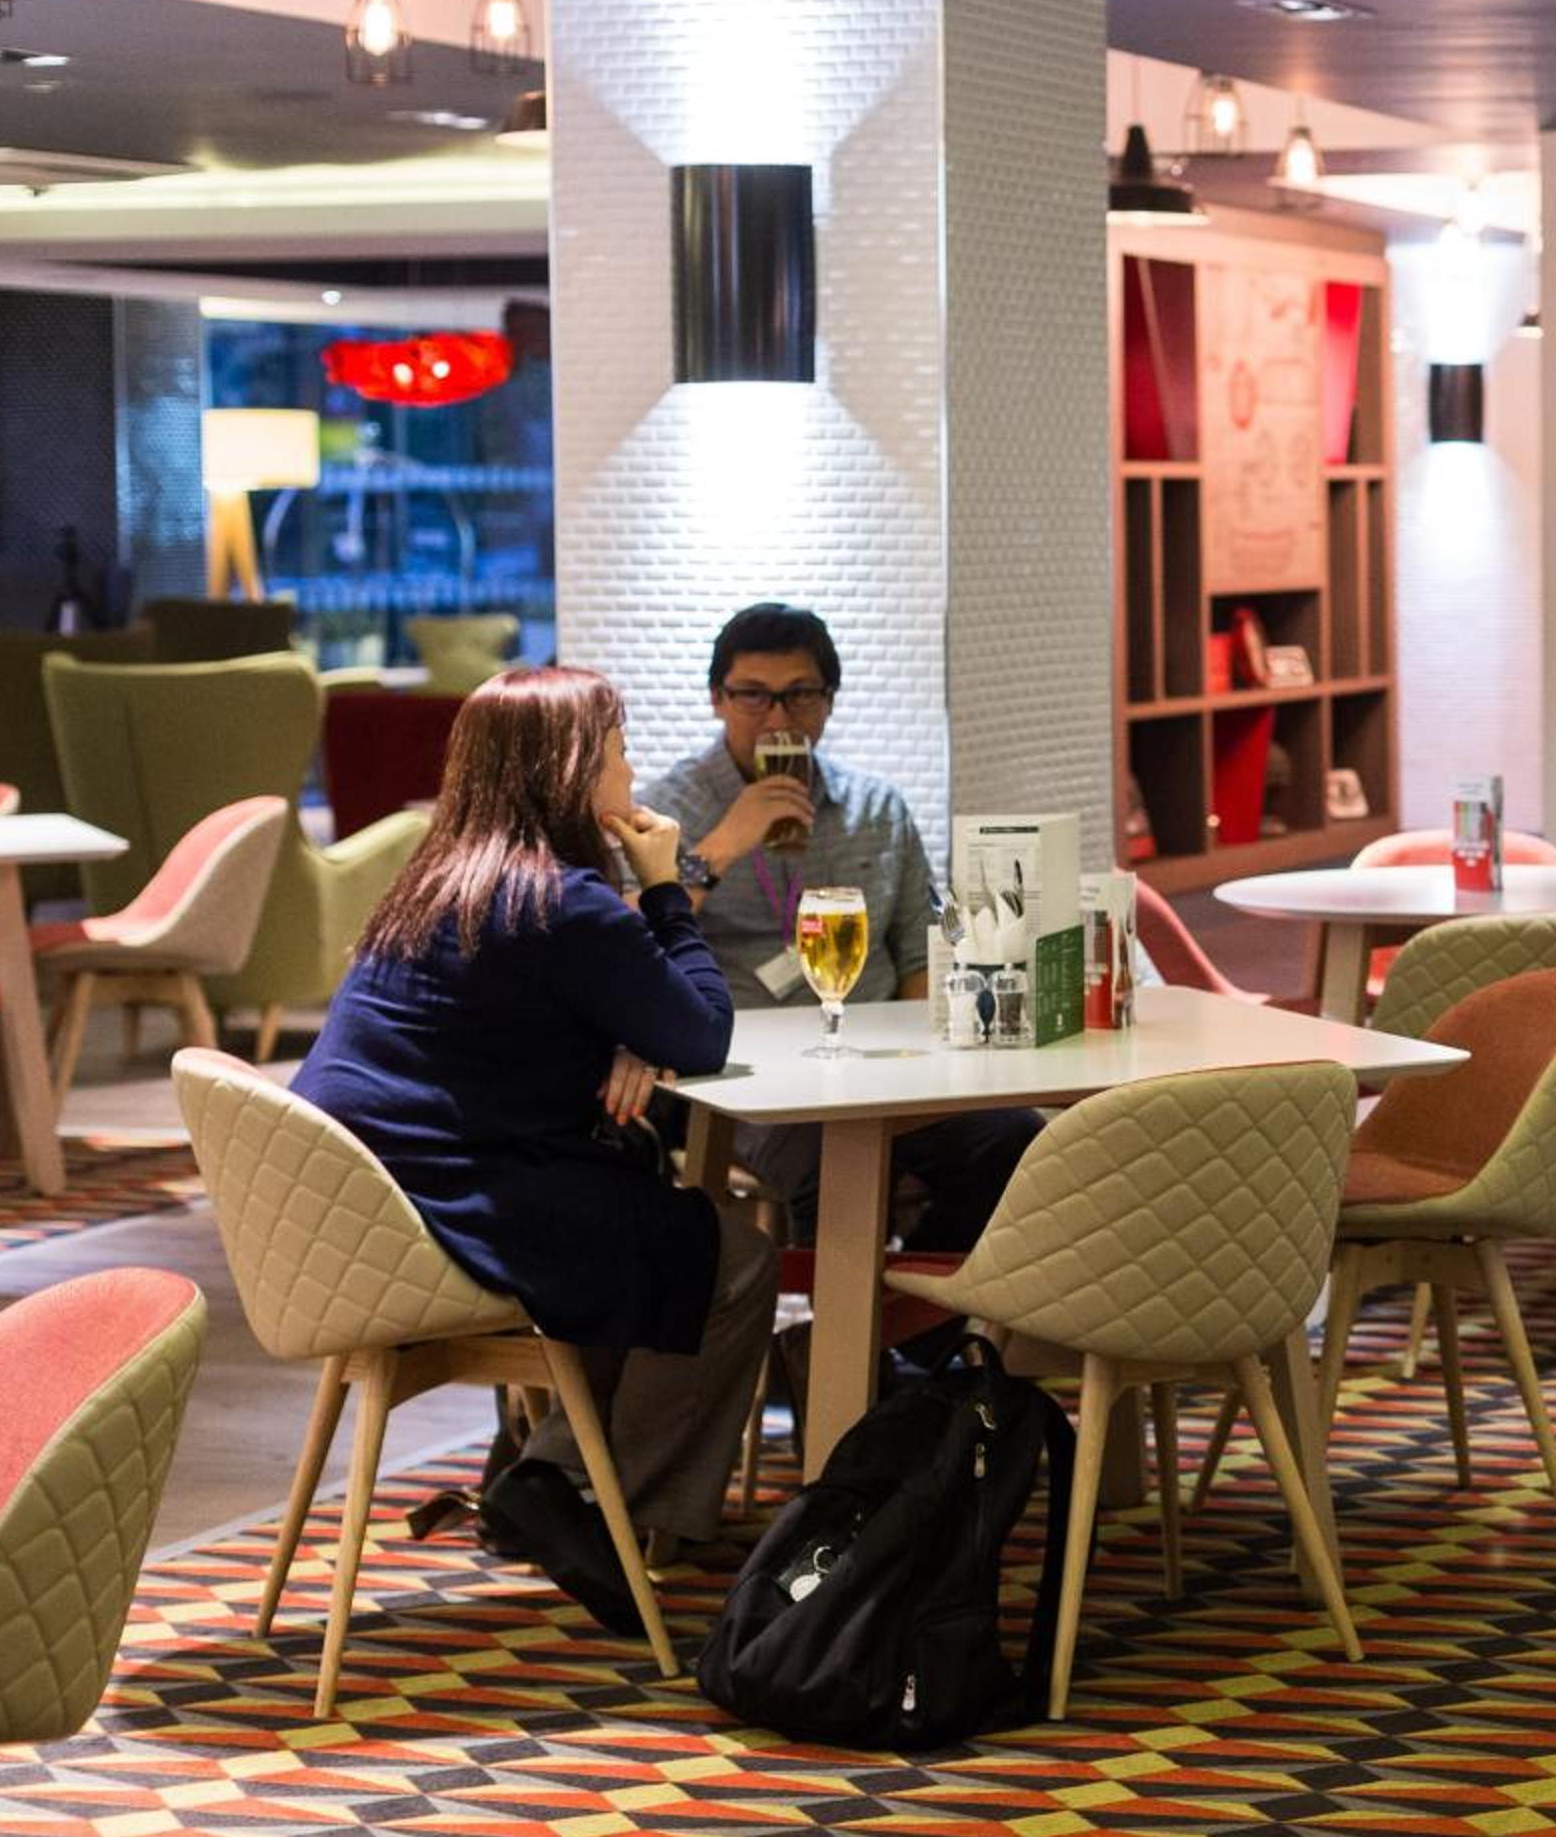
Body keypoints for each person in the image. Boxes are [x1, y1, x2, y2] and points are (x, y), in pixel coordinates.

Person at [293, 667, 774, 1628]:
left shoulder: (438, 883)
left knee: (635, 1203)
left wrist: (629, 1035)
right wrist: (665, 887)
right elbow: (703, 1036)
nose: (630, 768)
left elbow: (598, 1016)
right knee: (733, 1250)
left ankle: (547, 1476)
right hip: (451, 1210)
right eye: (618, 750)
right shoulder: (563, 902)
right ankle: (600, 1506)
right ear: (572, 771)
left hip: (348, 1211)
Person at [644, 603, 1041, 1251]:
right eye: (753, 696)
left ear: (828, 702)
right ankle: (842, 1318)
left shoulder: (876, 809)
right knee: (833, 1169)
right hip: (744, 1078)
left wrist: (937, 1062)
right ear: (718, 699)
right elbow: (637, 943)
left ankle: (912, 1311)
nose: (778, 719)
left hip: (877, 1063)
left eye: (800, 695)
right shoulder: (669, 809)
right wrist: (721, 847)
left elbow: (919, 949)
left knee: (1015, 1139)